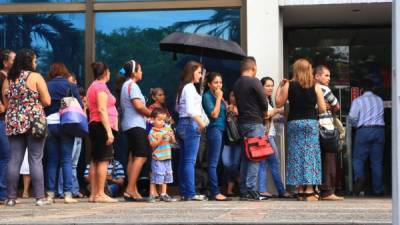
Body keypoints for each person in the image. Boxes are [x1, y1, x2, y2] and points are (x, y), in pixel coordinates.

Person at [2, 49, 51, 206]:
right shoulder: (35, 77)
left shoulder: (8, 79)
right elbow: (47, 101)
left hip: (13, 120)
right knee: (35, 159)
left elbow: (7, 104)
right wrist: (33, 106)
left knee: (14, 159)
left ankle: (10, 198)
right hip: (34, 121)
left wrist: (18, 109)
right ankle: (39, 198)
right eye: (35, 60)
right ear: (29, 62)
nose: (36, 63)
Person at [275, 58, 326, 201]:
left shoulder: (289, 85)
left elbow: (278, 103)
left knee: (296, 154)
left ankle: (299, 189)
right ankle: (309, 189)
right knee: (310, 154)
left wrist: (280, 87)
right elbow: (322, 109)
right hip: (310, 122)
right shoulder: (315, 86)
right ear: (309, 70)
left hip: (294, 122)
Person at [45, 63, 82, 204]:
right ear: (64, 72)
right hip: (66, 123)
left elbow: (43, 103)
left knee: (52, 160)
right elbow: (80, 105)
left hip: (50, 124)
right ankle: (67, 194)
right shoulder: (70, 85)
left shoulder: (46, 85)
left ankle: (50, 195)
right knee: (66, 160)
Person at [233, 56, 268, 201]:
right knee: (255, 156)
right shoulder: (254, 81)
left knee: (246, 157)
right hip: (254, 122)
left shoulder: (236, 83)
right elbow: (264, 102)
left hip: (242, 123)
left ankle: (243, 189)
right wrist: (265, 114)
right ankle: (251, 189)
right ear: (253, 68)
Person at [119, 60, 151, 202]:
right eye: (140, 70)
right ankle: (130, 189)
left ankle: (133, 190)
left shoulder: (127, 85)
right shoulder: (132, 85)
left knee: (133, 158)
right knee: (141, 156)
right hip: (135, 126)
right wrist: (152, 114)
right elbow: (138, 106)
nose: (142, 72)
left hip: (129, 125)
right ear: (134, 72)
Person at [86, 61, 118, 203]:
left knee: (95, 160)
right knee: (103, 160)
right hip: (101, 126)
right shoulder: (100, 86)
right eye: (109, 72)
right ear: (105, 73)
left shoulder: (93, 86)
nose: (110, 74)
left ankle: (94, 194)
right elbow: (102, 109)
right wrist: (109, 132)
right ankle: (100, 194)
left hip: (96, 125)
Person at [175, 60, 207, 201]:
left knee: (184, 161)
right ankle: (190, 193)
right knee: (189, 161)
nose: (200, 76)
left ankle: (185, 191)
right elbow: (190, 110)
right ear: (192, 72)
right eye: (199, 72)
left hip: (182, 124)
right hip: (190, 124)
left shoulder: (183, 87)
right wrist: (202, 125)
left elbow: (178, 108)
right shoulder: (189, 88)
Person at [348, 78, 385, 196]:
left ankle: (359, 178)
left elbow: (352, 118)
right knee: (376, 162)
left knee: (358, 159)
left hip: (363, 131)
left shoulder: (358, 101)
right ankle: (377, 190)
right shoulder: (379, 100)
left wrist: (355, 126)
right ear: (373, 88)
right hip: (379, 131)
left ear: (362, 90)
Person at [258, 77, 291, 198]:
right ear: (261, 87)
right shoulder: (261, 100)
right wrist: (278, 110)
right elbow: (267, 115)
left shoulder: (267, 100)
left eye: (272, 85)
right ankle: (280, 191)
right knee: (273, 163)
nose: (270, 88)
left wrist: (279, 88)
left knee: (265, 164)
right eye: (267, 86)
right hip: (266, 136)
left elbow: (273, 114)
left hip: (267, 135)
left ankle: (262, 190)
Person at [314, 65, 344, 201]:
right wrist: (329, 106)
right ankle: (327, 191)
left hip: (313, 127)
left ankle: (315, 190)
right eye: (326, 75)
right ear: (317, 76)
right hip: (326, 128)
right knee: (329, 159)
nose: (328, 78)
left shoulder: (307, 88)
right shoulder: (324, 89)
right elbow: (337, 105)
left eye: (329, 75)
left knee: (316, 159)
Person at [202, 72, 229, 201]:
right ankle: (215, 192)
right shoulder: (207, 96)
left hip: (221, 129)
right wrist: (218, 98)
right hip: (214, 129)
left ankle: (213, 189)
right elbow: (214, 114)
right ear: (209, 84)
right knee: (213, 162)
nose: (219, 85)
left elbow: (223, 112)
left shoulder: (219, 96)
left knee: (217, 162)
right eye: (216, 82)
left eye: (220, 82)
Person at [57, 75, 85, 199]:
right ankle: (62, 190)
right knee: (67, 162)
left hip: (78, 133)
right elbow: (64, 112)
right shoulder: (66, 97)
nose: (75, 83)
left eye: (75, 81)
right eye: (72, 81)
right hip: (71, 131)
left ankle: (74, 189)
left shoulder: (76, 97)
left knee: (73, 164)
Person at [148, 108, 177, 203]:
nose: (162, 122)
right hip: (158, 158)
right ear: (152, 119)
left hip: (167, 158)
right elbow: (152, 145)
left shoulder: (166, 130)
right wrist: (161, 138)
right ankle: (152, 194)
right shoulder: (152, 132)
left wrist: (172, 135)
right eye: (159, 120)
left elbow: (173, 142)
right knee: (156, 176)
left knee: (166, 176)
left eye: (163, 120)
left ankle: (163, 194)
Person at [0, 49, 15, 202]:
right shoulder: (1, 76)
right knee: (6, 157)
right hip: (1, 120)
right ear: (5, 62)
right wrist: (3, 108)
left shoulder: (8, 78)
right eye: (13, 59)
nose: (15, 62)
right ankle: (2, 193)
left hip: (4, 120)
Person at [221, 91, 241, 197]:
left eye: (236, 95)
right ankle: (239, 179)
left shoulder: (243, 109)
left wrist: (238, 113)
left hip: (238, 141)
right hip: (227, 141)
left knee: (235, 164)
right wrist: (227, 112)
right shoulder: (226, 108)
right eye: (232, 95)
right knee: (227, 163)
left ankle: (230, 190)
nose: (234, 98)